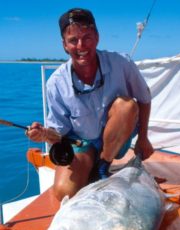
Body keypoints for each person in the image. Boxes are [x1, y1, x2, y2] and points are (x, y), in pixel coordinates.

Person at [27, 8, 154, 201]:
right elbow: (59, 135)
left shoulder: (122, 63)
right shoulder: (55, 83)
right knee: (64, 193)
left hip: (116, 142)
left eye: (87, 37)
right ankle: (93, 165)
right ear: (64, 45)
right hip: (81, 143)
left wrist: (143, 138)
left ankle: (104, 164)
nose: (81, 45)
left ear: (97, 37)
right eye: (73, 40)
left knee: (127, 106)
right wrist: (44, 134)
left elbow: (144, 99)